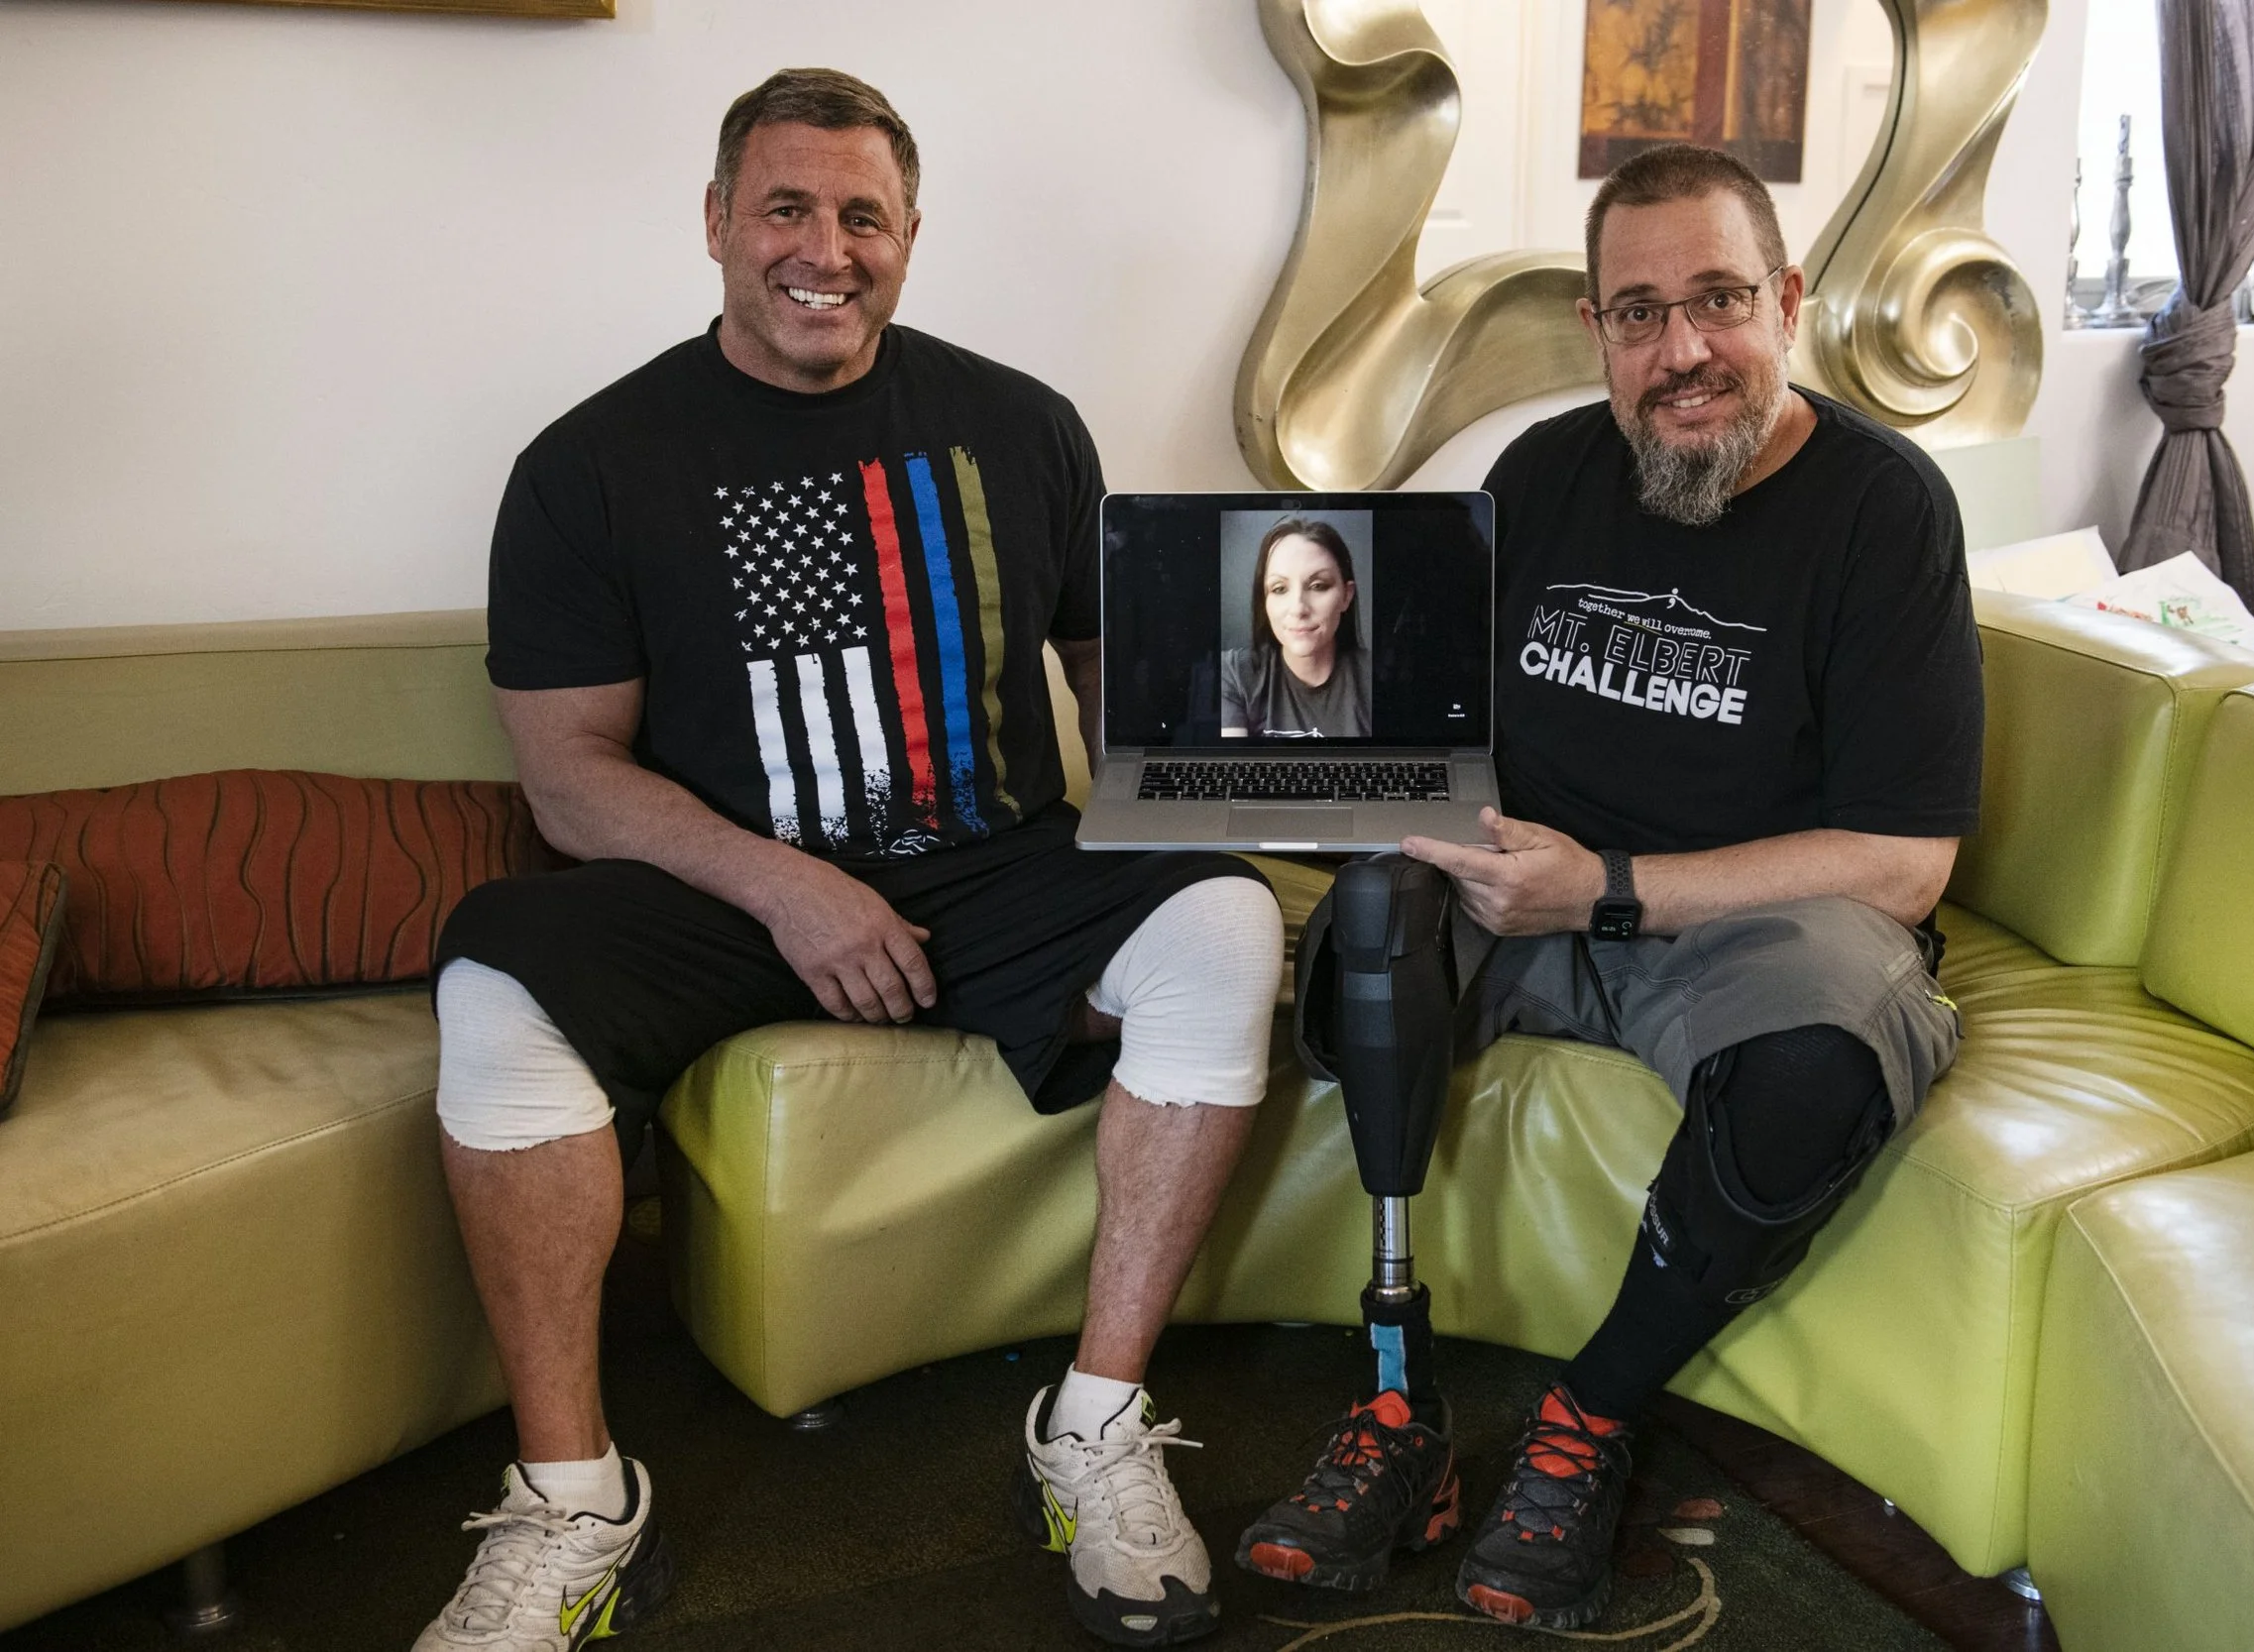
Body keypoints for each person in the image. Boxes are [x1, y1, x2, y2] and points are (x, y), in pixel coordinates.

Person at [413, 68, 1284, 1652]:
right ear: (718, 225)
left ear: (910, 233)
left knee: (1225, 921)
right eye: (788, 208)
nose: (827, 245)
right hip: (723, 888)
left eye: (863, 213)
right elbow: (570, 782)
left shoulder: (1023, 424)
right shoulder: (588, 463)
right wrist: (788, 883)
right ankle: (572, 1496)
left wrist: (1325, 776)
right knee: (492, 970)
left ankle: (1093, 1418)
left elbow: (1124, 700)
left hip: (993, 862)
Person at [1237, 142, 1983, 1631]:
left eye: (1718, 301)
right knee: (1367, 918)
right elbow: (1433, 731)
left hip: (1739, 926)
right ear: (1596, 331)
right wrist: (1255, 760)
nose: (1683, 350)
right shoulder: (1540, 476)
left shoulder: (1884, 510)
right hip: (1528, 898)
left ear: (1786, 300)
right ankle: (1398, 1408)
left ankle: (1591, 1409)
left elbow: (1905, 860)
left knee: (1818, 1059)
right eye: (1639, 314)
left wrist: (1611, 888)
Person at [1217, 516, 1371, 737]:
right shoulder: (1234, 674)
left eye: (1318, 586)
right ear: (1264, 600)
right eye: (1279, 589)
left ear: (1346, 596)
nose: (1298, 608)